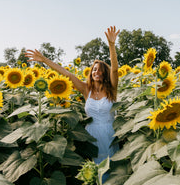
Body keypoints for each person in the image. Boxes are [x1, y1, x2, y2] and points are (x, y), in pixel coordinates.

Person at [25, 26, 120, 164]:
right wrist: (45, 60)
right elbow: (67, 74)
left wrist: (111, 45)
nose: (96, 72)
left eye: (100, 70)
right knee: (93, 170)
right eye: (94, 70)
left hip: (109, 133)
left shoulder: (112, 89)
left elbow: (115, 70)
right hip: (90, 136)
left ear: (105, 73)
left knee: (111, 168)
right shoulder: (86, 89)